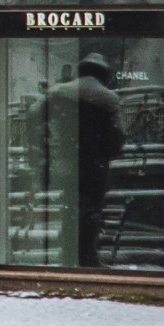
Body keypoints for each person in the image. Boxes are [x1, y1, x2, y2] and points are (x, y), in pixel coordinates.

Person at [43, 53, 123, 268]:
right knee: (91, 211)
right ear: (103, 74)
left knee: (69, 208)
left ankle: (67, 255)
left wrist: (45, 146)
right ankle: (87, 257)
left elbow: (35, 114)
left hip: (67, 161)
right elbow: (117, 134)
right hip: (95, 164)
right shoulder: (108, 98)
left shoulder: (58, 93)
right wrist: (111, 152)